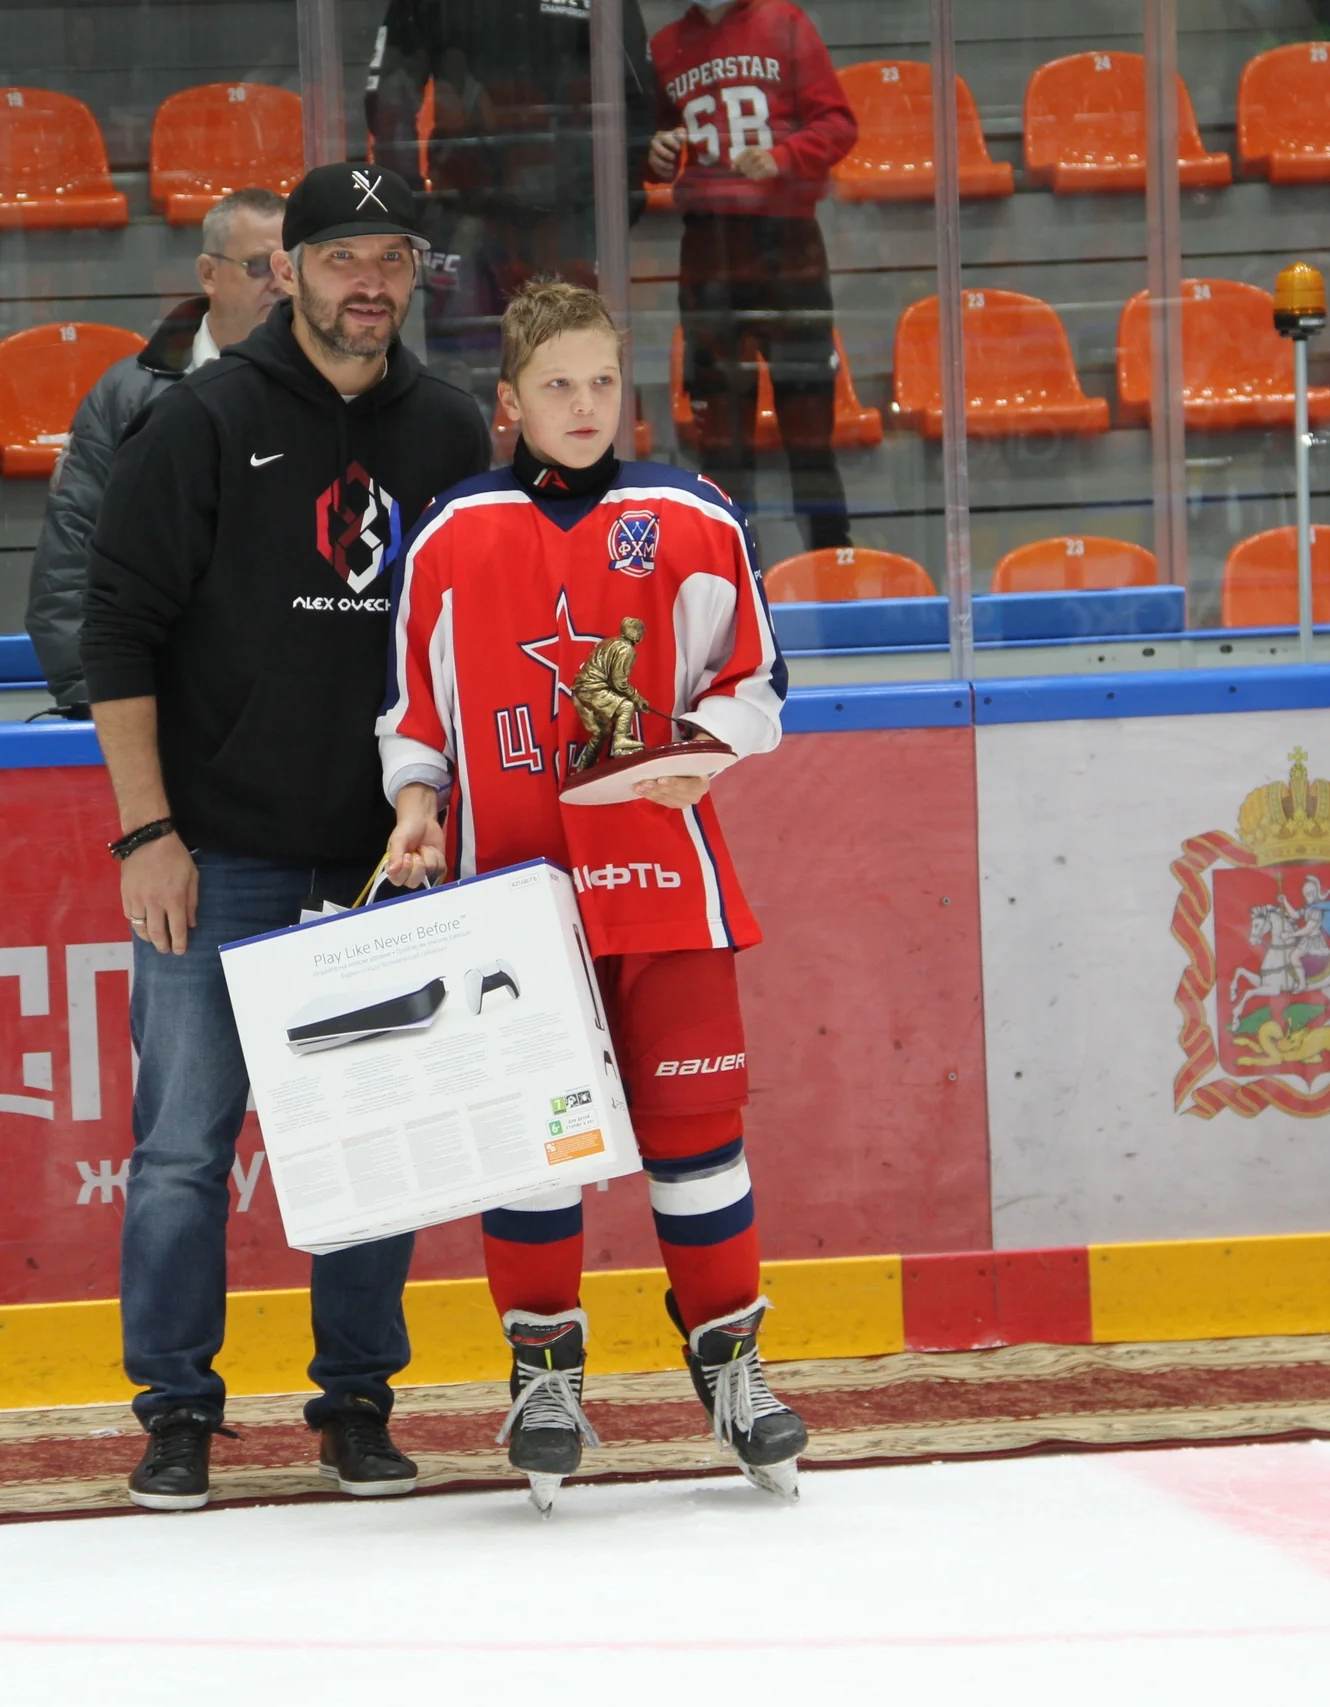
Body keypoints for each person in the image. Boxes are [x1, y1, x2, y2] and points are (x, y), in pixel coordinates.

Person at [80, 162, 493, 1513]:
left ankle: (357, 1404)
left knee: (375, 1136)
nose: (369, 283)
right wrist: (148, 831)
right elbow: (116, 634)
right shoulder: (201, 421)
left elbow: (469, 640)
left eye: (392, 258)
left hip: (383, 859)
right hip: (222, 855)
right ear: (286, 271)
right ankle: (176, 1412)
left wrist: (444, 814)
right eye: (341, 257)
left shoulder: (448, 430)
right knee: (183, 1151)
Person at [376, 280, 805, 1512]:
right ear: (509, 400)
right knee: (537, 1147)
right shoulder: (452, 533)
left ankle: (729, 1364)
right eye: (556, 385)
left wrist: (706, 751)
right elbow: (414, 707)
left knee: (698, 1143)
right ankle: (545, 1374)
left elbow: (753, 682)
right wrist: (415, 801)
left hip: (663, 883)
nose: (583, 405)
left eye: (602, 383)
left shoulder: (690, 514)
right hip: (511, 895)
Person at [26, 187, 286, 717]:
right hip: (162, 708)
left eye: (292, 266)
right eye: (260, 266)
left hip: (293, 707)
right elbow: (70, 555)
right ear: (208, 274)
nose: (281, 284)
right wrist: (92, 697)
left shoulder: (338, 390)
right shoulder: (126, 396)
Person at [364, 0, 659, 413]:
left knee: (573, 379)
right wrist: (410, 207)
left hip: (570, 217)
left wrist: (611, 208)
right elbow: (391, 96)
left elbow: (637, 102)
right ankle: (466, 455)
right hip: (467, 214)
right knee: (462, 386)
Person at [645, 0, 858, 554]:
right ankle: (729, 569)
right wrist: (657, 155)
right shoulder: (665, 46)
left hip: (786, 243)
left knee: (809, 427)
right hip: (709, 248)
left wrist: (784, 156)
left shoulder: (785, 23)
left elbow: (839, 124)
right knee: (721, 437)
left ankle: (830, 560)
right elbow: (654, 147)